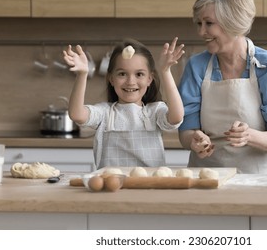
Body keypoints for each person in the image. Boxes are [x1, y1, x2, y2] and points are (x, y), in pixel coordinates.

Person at [178, 0, 267, 174]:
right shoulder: (196, 66)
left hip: (262, 183)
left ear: (233, 22)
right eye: (199, 23)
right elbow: (186, 132)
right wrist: (194, 141)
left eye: (209, 23)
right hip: (207, 179)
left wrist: (249, 136)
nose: (201, 32)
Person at [63, 38, 185, 169]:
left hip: (149, 185)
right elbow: (76, 114)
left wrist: (165, 71)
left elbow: (177, 116)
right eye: (122, 74)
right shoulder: (105, 113)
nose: (130, 81)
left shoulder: (154, 112)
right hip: (112, 185)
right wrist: (82, 75)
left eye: (139, 74)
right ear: (111, 79)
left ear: (149, 79)